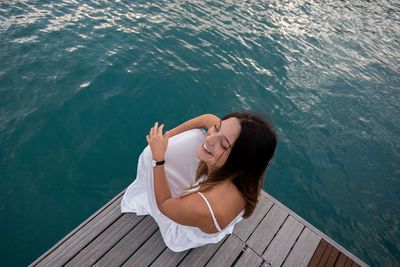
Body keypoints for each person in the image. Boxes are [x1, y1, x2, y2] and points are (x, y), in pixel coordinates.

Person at [121, 112, 277, 252]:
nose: (210, 139)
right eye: (217, 128)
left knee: (150, 155)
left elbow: (164, 204)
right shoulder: (249, 170)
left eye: (223, 144)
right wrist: (166, 138)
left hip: (181, 228)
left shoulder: (207, 208)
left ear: (239, 162)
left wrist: (158, 159)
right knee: (197, 135)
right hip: (210, 191)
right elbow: (206, 118)